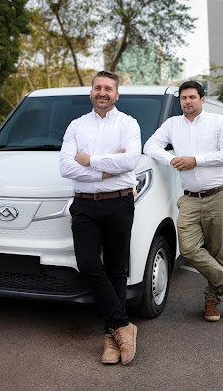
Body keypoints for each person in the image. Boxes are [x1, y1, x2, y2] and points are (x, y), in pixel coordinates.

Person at [144, 80, 223, 322]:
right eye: (183, 98)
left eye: (192, 97)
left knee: (218, 251)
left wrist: (195, 160)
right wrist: (172, 160)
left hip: (218, 194)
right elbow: (150, 145)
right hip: (189, 198)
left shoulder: (217, 122)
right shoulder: (172, 124)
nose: (187, 101)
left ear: (201, 99)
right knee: (188, 248)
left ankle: (211, 301)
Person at [59, 71, 141, 365]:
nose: (102, 92)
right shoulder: (76, 125)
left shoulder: (128, 124)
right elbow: (65, 167)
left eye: (108, 88)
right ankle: (122, 325)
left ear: (116, 94)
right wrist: (108, 169)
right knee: (89, 265)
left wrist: (90, 160)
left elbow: (130, 160)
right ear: (91, 92)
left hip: (118, 204)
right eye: (97, 87)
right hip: (83, 206)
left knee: (117, 268)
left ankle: (110, 337)